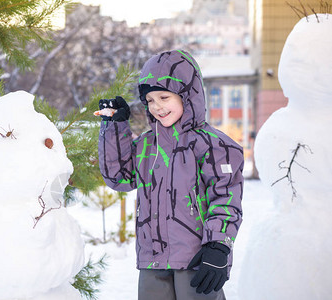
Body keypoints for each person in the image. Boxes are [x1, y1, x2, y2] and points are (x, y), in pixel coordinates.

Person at [96, 49, 244, 300]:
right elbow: (119, 178)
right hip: (153, 262)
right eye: (150, 100)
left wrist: (218, 246)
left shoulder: (214, 146)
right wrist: (114, 127)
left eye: (164, 96)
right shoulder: (146, 147)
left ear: (187, 94)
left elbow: (226, 199)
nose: (157, 107)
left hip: (197, 260)